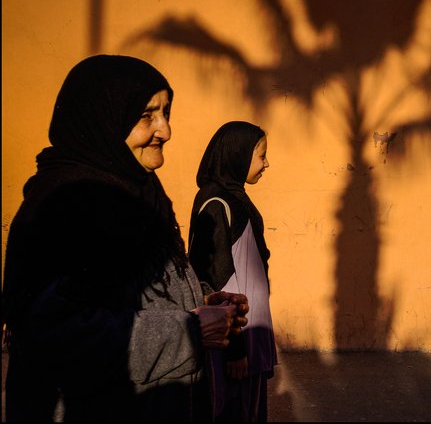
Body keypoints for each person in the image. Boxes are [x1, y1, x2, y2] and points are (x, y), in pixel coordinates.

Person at [2, 54, 250, 422]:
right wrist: (189, 329)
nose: (165, 130)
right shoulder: (65, 207)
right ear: (103, 119)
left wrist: (201, 299)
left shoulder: (138, 190)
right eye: (147, 116)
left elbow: (134, 289)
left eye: (166, 112)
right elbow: (56, 335)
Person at [188, 121, 278, 422]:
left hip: (250, 337)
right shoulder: (217, 203)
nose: (266, 163)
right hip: (236, 341)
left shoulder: (236, 198)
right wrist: (235, 347)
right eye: (261, 155)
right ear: (238, 155)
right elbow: (216, 279)